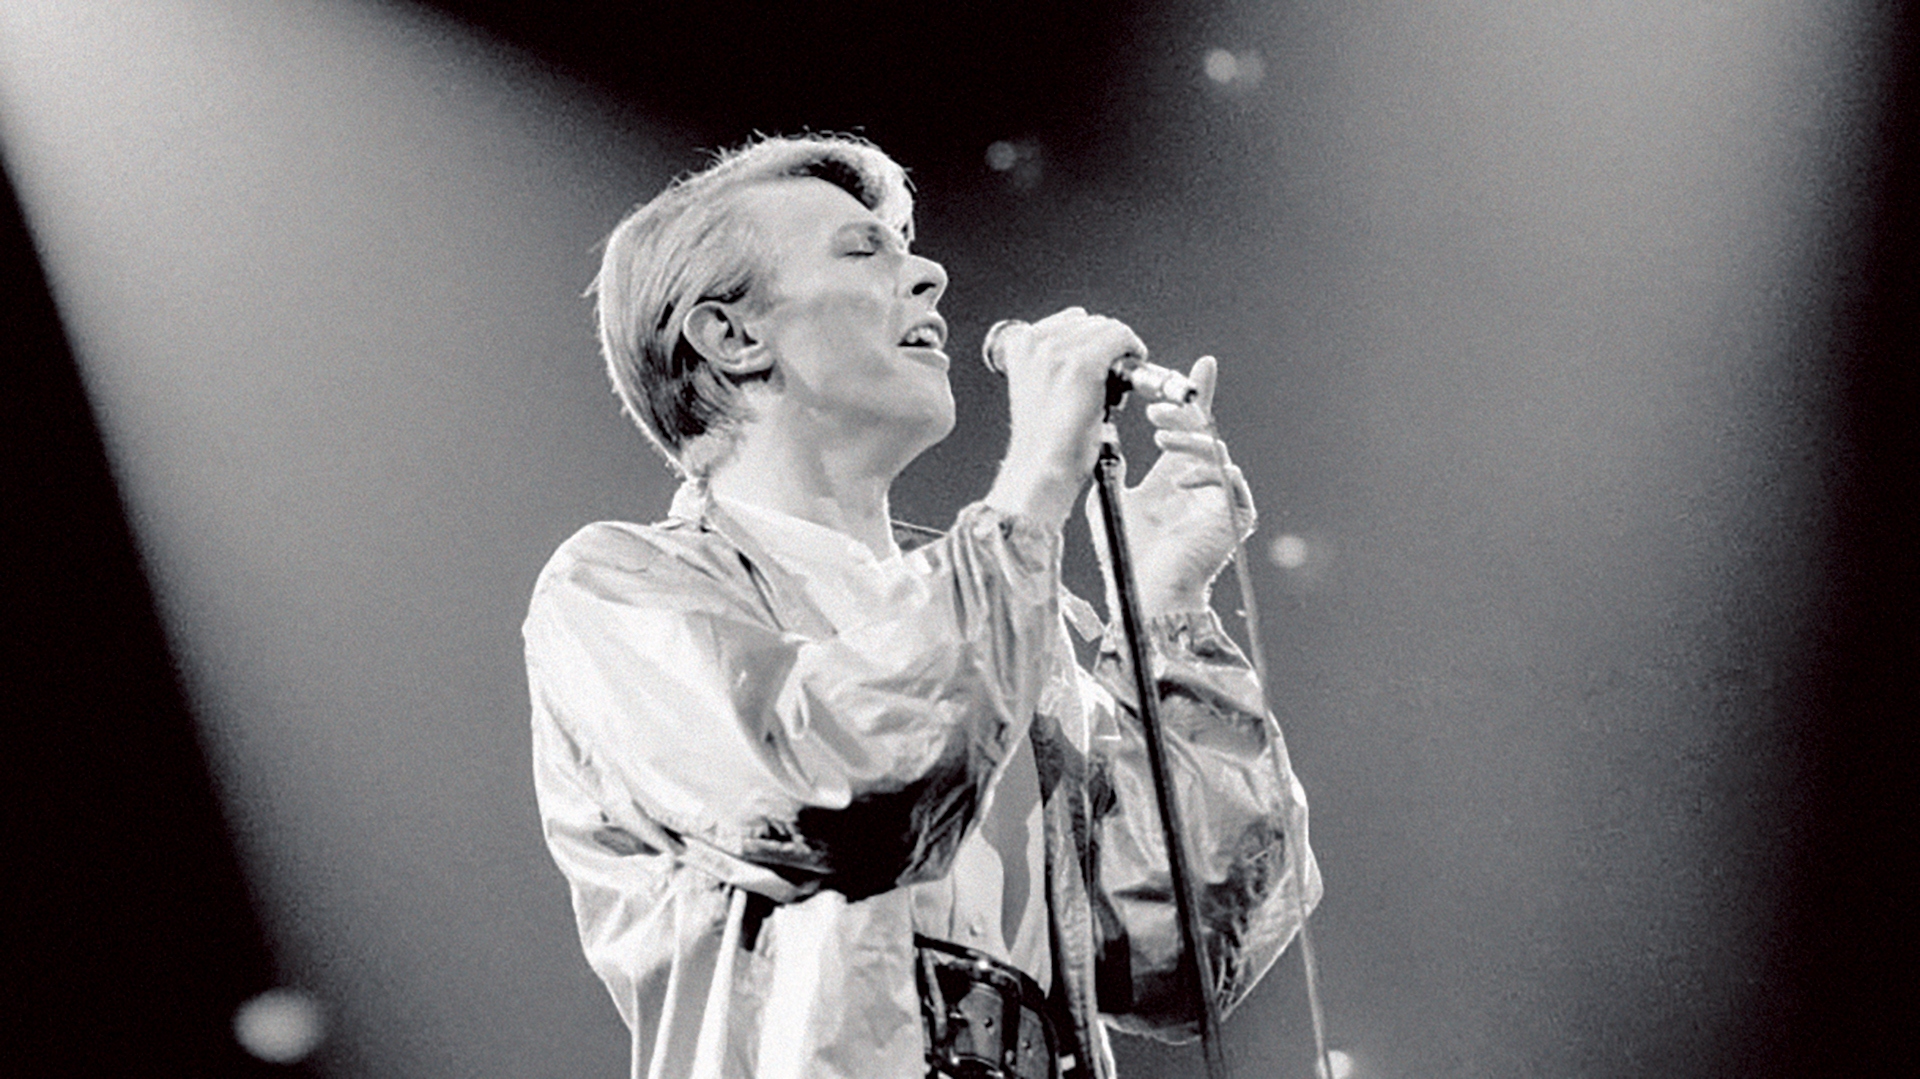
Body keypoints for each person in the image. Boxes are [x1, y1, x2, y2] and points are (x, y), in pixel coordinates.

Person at [524, 134, 1320, 1079]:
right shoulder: (620, 591)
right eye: (866, 251)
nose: (932, 274)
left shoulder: (1015, 618)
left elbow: (1177, 960)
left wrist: (1164, 608)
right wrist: (1032, 485)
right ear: (731, 337)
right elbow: (840, 788)